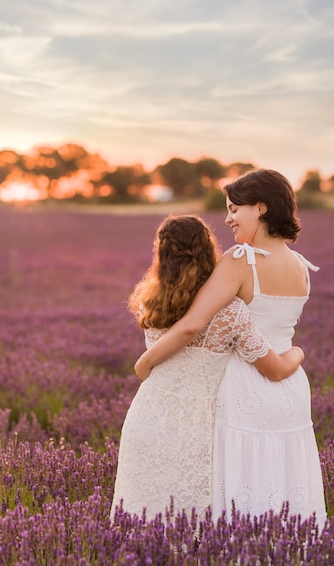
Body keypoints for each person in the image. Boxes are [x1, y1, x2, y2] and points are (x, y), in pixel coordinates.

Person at [134, 169, 327, 525]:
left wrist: (145, 363)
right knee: (286, 477)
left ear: (261, 208)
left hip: (245, 386)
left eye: (235, 209)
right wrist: (299, 355)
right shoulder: (301, 267)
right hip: (292, 388)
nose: (228, 219)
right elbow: (284, 336)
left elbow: (192, 324)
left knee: (244, 480)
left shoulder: (241, 261)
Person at [110, 213, 304, 521]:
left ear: (161, 253)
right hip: (200, 427)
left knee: (142, 516)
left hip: (148, 415)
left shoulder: (151, 300)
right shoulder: (231, 310)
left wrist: (144, 363)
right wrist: (297, 353)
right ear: (208, 250)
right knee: (194, 524)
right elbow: (276, 368)